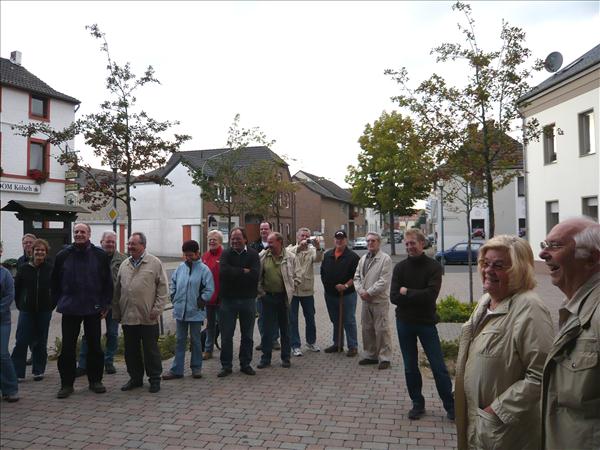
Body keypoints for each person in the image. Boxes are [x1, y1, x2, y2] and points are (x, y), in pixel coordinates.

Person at [454, 235, 554, 449]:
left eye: (498, 265)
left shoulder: (530, 308)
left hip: (504, 431)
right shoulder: (487, 300)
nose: (488, 270)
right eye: (485, 263)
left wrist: (497, 411)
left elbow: (542, 374)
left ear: (518, 270)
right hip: (478, 421)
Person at [539, 218, 600, 450]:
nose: (543, 253)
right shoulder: (574, 306)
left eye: (555, 246)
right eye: (544, 244)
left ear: (592, 258)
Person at [390, 229, 454, 420]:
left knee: (438, 367)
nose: (409, 247)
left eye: (413, 243)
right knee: (410, 367)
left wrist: (406, 292)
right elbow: (394, 297)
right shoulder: (400, 268)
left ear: (422, 243)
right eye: (407, 244)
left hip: (426, 323)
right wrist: (415, 294)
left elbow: (430, 296)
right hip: (404, 323)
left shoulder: (433, 267)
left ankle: (451, 406)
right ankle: (417, 403)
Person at [52, 223, 112, 399]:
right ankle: (66, 384)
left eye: (82, 232)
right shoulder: (63, 255)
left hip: (93, 308)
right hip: (70, 309)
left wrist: (105, 304)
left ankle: (95, 381)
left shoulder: (100, 255)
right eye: (76, 231)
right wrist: (59, 301)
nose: (79, 234)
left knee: (95, 346)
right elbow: (54, 281)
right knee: (68, 348)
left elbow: (107, 282)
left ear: (89, 234)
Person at [113, 232, 169, 393]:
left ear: (143, 245)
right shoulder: (124, 264)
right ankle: (135, 378)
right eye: (129, 244)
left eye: (133, 244)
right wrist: (117, 313)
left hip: (148, 317)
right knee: (131, 351)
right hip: (128, 316)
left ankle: (154, 379)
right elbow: (117, 291)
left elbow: (163, 289)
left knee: (151, 350)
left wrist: (157, 310)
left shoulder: (154, 263)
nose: (130, 246)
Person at [76, 231, 126, 376]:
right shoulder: (92, 256)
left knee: (112, 334)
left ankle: (108, 361)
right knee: (89, 334)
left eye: (113, 242)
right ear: (101, 242)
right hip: (94, 303)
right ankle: (83, 364)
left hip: (114, 304)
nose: (110, 244)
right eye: (107, 241)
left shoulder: (122, 259)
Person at [163, 240, 214, 380]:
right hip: (180, 311)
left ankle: (196, 368)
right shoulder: (180, 268)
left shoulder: (204, 270)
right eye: (186, 255)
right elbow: (173, 283)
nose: (188, 258)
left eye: (191, 255)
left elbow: (210, 289)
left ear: (197, 253)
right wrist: (174, 296)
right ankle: (177, 370)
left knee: (196, 341)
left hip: (195, 311)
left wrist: (201, 300)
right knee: (180, 340)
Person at [218, 227, 260, 377]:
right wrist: (243, 271)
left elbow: (255, 275)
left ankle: (245, 364)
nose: (235, 241)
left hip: (248, 300)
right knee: (226, 335)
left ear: (245, 239)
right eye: (232, 238)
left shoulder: (253, 255)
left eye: (238, 238)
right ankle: (226, 366)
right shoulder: (226, 253)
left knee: (247, 335)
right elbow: (223, 273)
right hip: (228, 300)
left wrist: (234, 272)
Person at [11, 239, 55, 382]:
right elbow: (17, 288)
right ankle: (17, 372)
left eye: (42, 250)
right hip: (26, 310)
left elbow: (56, 288)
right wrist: (21, 304)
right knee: (21, 340)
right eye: (37, 250)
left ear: (46, 253)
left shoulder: (51, 269)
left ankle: (38, 370)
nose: (39, 252)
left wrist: (51, 304)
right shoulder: (23, 268)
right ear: (32, 252)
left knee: (40, 341)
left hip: (44, 310)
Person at [257, 232, 299, 369]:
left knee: (285, 329)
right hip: (267, 297)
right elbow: (257, 277)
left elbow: (298, 276)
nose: (268, 245)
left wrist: (291, 288)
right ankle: (265, 358)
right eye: (268, 242)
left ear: (279, 242)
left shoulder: (291, 257)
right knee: (267, 330)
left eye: (271, 242)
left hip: (283, 298)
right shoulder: (263, 256)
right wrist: (262, 294)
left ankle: (286, 358)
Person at [354, 232, 393, 370]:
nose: (370, 243)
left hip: (379, 301)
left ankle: (385, 358)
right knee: (367, 329)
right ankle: (371, 355)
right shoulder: (363, 259)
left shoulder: (385, 259)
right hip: (365, 301)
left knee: (382, 330)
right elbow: (356, 277)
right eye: (368, 241)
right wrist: (360, 291)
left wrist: (369, 292)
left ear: (379, 242)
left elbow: (384, 281)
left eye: (373, 241)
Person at [320, 230, 360, 356]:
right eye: (337, 238)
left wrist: (345, 286)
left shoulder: (353, 257)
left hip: (347, 295)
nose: (339, 241)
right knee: (336, 320)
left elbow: (356, 276)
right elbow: (323, 273)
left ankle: (352, 346)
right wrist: (328, 287)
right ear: (334, 240)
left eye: (341, 239)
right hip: (330, 294)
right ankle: (337, 344)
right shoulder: (328, 255)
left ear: (346, 240)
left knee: (348, 320)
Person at [287, 227, 324, 356]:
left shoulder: (312, 250)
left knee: (310, 317)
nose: (304, 238)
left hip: (307, 290)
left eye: (307, 236)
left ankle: (311, 342)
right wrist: (299, 248)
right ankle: (295, 345)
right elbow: (287, 256)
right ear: (297, 237)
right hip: (293, 290)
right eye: (302, 236)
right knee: (292, 319)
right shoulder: (291, 249)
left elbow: (318, 259)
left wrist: (318, 247)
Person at [250, 221, 280, 351]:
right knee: (262, 316)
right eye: (261, 229)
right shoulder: (254, 246)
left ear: (271, 230)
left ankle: (274, 339)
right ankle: (264, 340)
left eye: (266, 229)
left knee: (275, 316)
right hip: (260, 288)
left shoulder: (277, 245)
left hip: (274, 287)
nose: (263, 231)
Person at [201, 229, 224, 360]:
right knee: (210, 325)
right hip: (209, 298)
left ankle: (226, 349)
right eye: (210, 239)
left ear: (220, 241)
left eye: (214, 239)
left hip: (222, 298)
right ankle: (208, 349)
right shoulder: (205, 257)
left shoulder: (225, 256)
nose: (212, 241)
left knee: (223, 325)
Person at [1, 243, 19, 402]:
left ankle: (11, 388)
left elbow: (9, 296)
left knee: (2, 354)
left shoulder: (5, 274)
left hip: (2, 321)